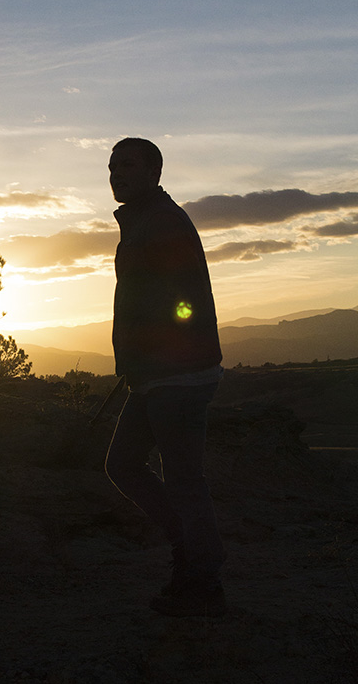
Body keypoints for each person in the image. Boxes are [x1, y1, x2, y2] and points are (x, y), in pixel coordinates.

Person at [104, 137, 226, 617]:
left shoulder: (162, 223)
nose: (116, 174)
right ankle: (192, 553)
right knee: (123, 465)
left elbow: (181, 300)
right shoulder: (141, 221)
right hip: (156, 374)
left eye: (127, 165)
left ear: (154, 171)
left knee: (184, 482)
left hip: (178, 375)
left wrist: (157, 349)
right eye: (112, 167)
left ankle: (202, 580)